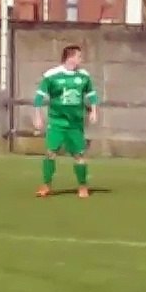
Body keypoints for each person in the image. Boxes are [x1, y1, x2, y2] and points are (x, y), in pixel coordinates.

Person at [33, 45, 99, 199]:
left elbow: (92, 94)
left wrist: (94, 111)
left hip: (75, 124)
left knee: (79, 155)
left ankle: (82, 186)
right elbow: (39, 97)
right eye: (79, 56)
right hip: (57, 122)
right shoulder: (51, 75)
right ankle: (46, 185)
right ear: (70, 57)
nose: (81, 59)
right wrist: (37, 116)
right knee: (50, 153)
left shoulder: (84, 76)